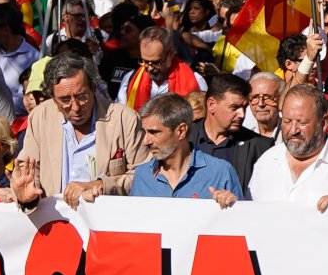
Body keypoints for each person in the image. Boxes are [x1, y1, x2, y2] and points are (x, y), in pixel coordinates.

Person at [20, 57, 138, 207]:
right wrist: (27, 194)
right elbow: (29, 168)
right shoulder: (40, 117)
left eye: (82, 97)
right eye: (65, 100)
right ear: (53, 98)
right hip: (54, 221)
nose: (75, 107)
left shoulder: (124, 119)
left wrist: (101, 185)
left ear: (93, 89)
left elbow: (143, 177)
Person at [252, 81, 328, 209]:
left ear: (323, 123)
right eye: (287, 121)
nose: (293, 130)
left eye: (302, 123)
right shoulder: (266, 162)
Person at [130, 92, 244, 206]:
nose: (146, 141)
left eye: (154, 132)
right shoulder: (142, 175)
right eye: (144, 132)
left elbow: (241, 219)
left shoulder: (220, 172)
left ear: (181, 131)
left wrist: (232, 204)